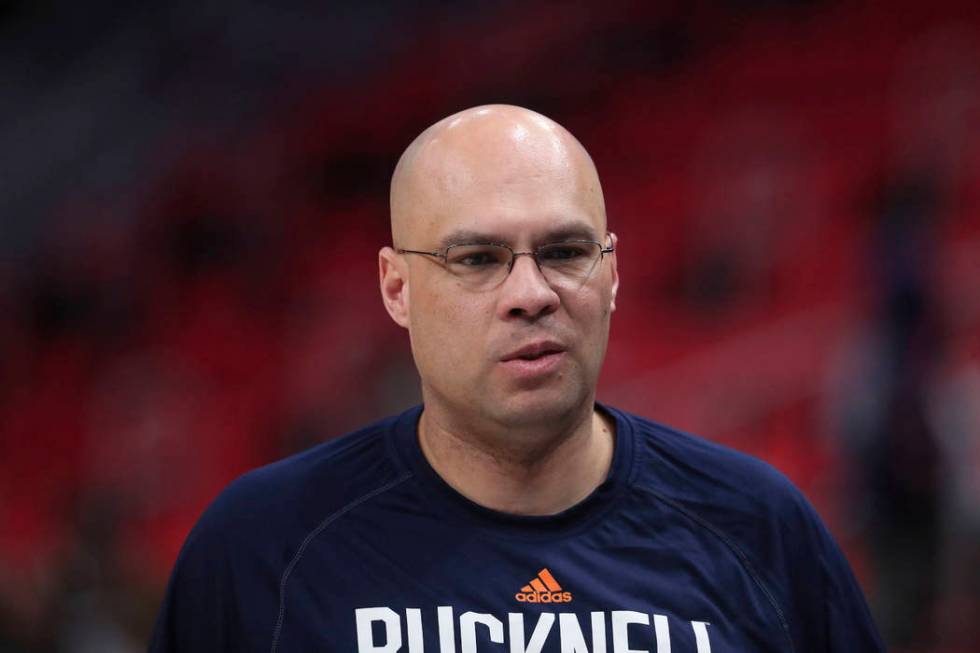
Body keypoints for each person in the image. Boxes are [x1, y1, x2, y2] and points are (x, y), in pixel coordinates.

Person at [149, 105, 883, 652]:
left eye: (565, 250)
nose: (531, 292)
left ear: (614, 273)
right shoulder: (262, 546)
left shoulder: (760, 530)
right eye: (477, 259)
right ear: (396, 288)